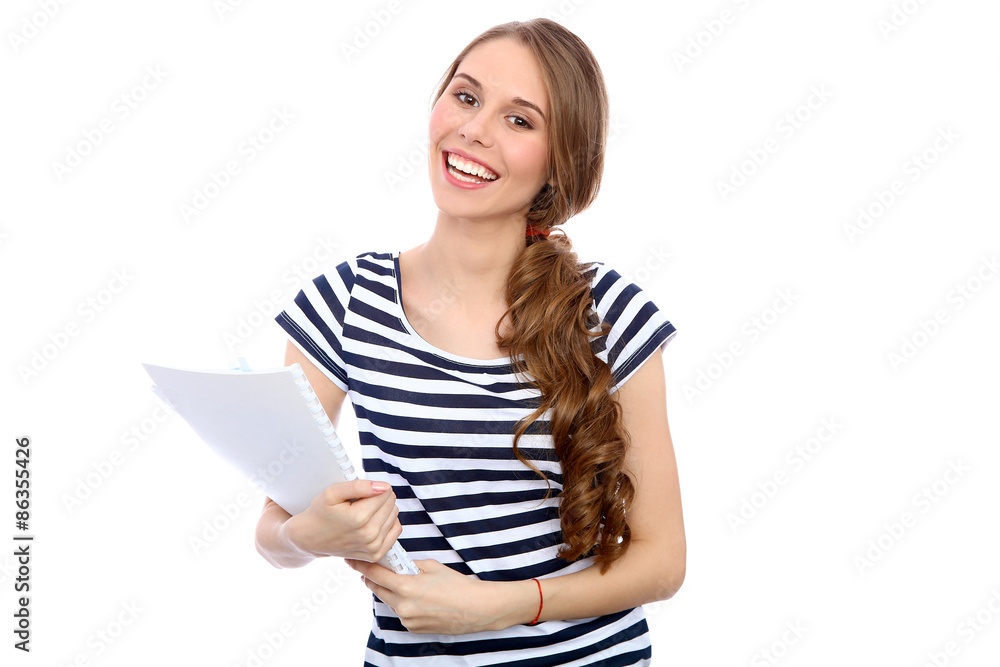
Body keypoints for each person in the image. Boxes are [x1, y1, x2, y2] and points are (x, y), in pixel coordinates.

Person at [254, 17, 685, 666]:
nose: (475, 129)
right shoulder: (345, 302)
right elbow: (272, 534)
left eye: (519, 120)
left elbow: (663, 561)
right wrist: (308, 533)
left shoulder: (607, 313)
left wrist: (501, 605)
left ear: (560, 163)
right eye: (465, 96)